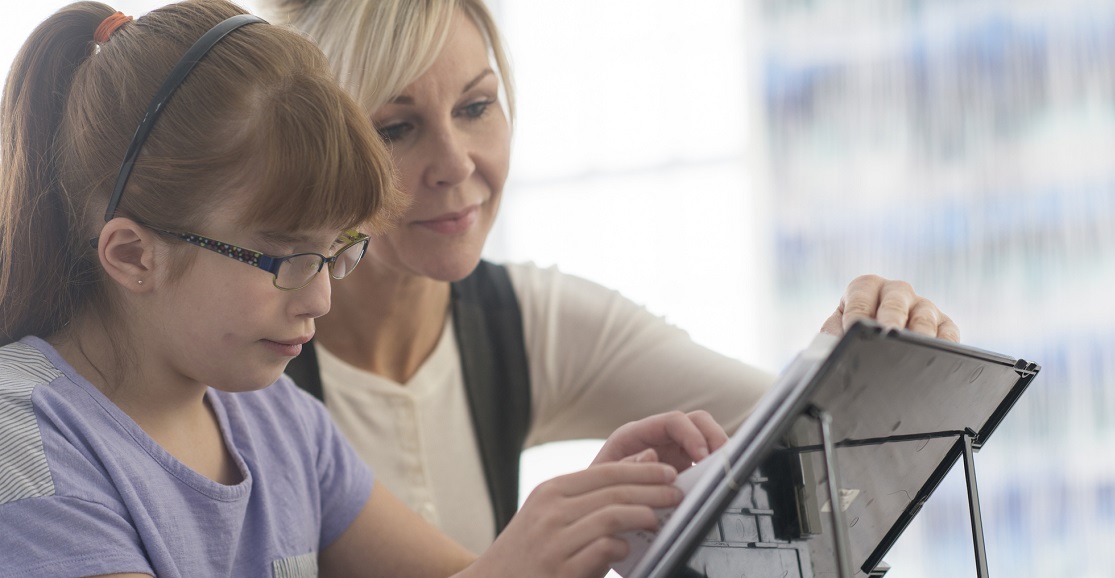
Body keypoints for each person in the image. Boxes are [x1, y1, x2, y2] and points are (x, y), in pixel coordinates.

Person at [0, 2, 729, 576]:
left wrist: (575, 526)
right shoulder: (23, 438)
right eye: (286, 258)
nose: (319, 298)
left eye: (337, 253)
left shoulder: (279, 421)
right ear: (132, 256)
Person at [262, 0, 963, 555]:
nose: (455, 162)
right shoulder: (249, 369)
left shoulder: (524, 322)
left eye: (476, 107)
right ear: (325, 152)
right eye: (395, 128)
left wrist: (855, 350)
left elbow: (801, 433)